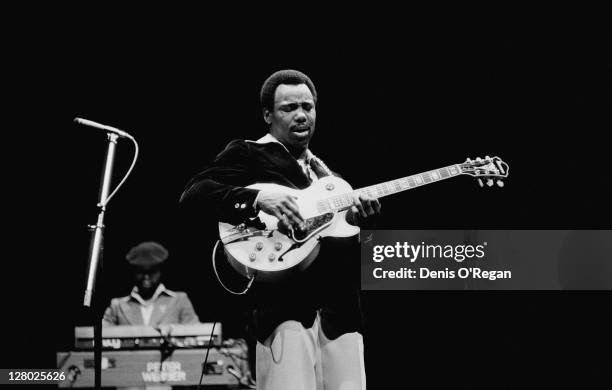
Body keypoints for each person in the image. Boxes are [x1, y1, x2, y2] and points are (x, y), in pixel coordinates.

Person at [180, 69, 380, 390]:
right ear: (267, 115)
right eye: (289, 108)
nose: (301, 115)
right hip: (284, 314)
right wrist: (258, 198)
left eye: (308, 106)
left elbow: (344, 250)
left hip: (340, 317)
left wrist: (359, 224)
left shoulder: (329, 179)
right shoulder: (250, 152)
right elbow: (194, 194)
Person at [103, 241, 200, 326]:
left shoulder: (179, 300)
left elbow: (197, 334)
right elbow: (102, 337)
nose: (146, 277)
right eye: (141, 272)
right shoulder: (117, 306)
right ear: (133, 273)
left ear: (160, 272)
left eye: (152, 272)